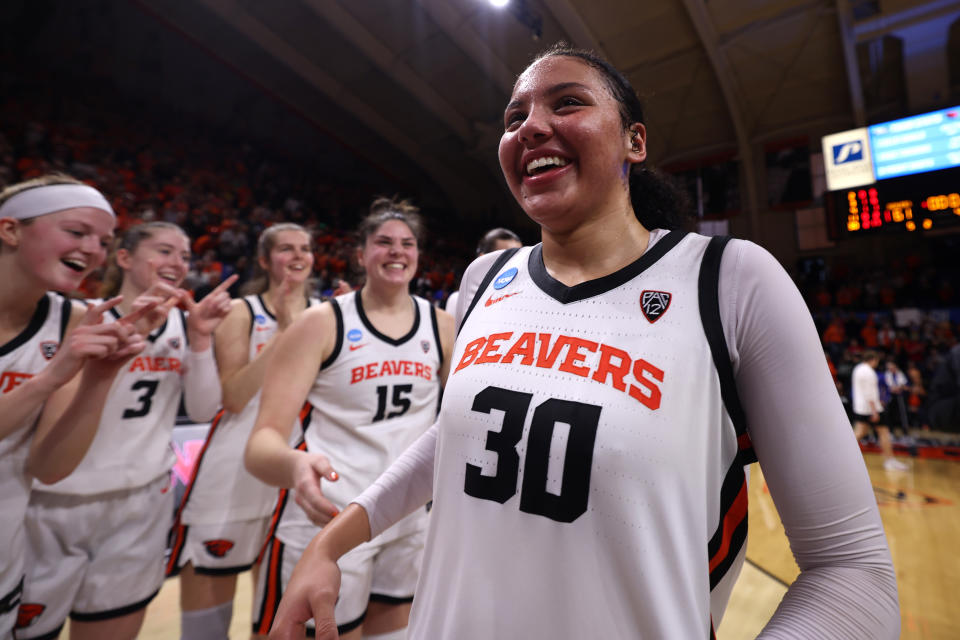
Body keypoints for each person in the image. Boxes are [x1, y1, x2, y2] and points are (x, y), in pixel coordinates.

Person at [268, 44, 899, 639]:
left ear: (635, 139)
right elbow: (466, 435)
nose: (532, 126)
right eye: (515, 117)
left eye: (567, 103)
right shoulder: (483, 279)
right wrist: (334, 540)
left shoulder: (730, 280)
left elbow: (854, 573)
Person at [245, 198, 455, 639]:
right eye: (383, 242)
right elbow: (260, 443)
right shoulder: (319, 323)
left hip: (406, 517)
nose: (397, 251)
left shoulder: (441, 325)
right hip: (330, 515)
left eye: (407, 243)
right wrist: (294, 463)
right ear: (360, 256)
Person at [15, 223, 235, 640]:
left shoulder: (183, 326)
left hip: (141, 502)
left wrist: (202, 337)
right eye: (165, 251)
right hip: (53, 503)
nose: (177, 263)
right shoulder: (82, 317)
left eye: (186, 256)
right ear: (124, 258)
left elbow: (206, 410)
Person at [0, 174, 146, 639]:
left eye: (103, 241)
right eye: (77, 231)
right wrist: (49, 379)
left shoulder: (74, 319)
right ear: (10, 230)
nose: (94, 251)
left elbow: (51, 466)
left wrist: (97, 383)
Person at [166, 223, 320, 640]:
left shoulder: (329, 314)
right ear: (265, 260)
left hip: (299, 469)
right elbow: (232, 396)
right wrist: (287, 332)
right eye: (286, 249)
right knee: (205, 627)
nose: (298, 256)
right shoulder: (242, 311)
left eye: (304, 248)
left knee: (278, 616)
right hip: (237, 467)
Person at [851, 351, 908, 471]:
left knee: (860, 432)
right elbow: (869, 393)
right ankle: (890, 461)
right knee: (884, 433)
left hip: (860, 408)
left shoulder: (858, 369)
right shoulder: (869, 372)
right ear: (873, 359)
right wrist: (875, 411)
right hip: (872, 409)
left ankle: (844, 456)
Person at [444, 227, 522, 313]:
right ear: (482, 260)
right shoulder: (458, 301)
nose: (515, 265)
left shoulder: (523, 300)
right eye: (506, 258)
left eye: (519, 258)